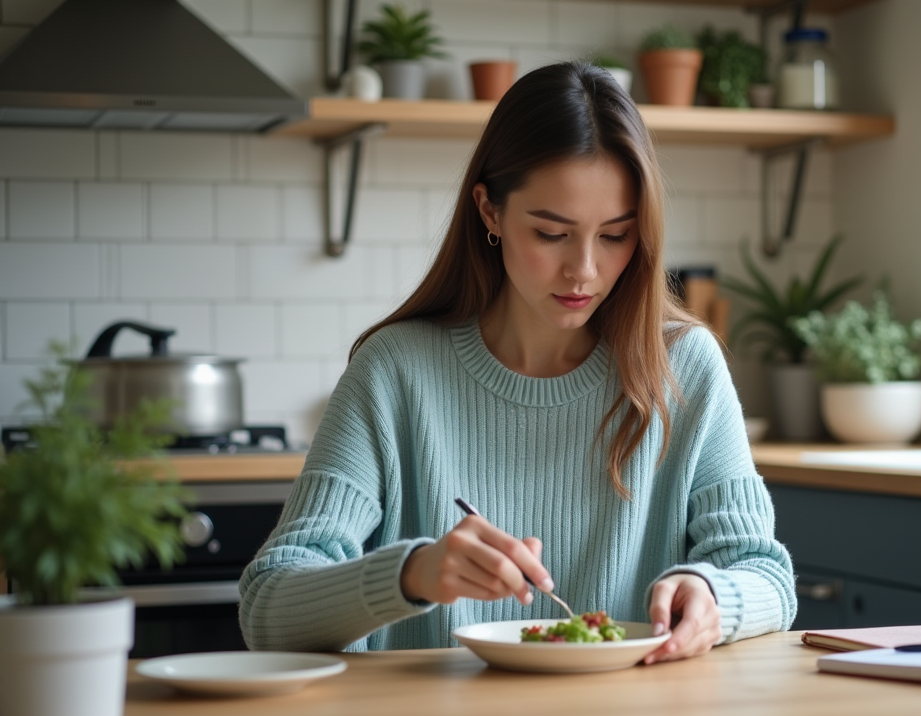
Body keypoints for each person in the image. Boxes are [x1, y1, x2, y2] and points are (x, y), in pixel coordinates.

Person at [239, 61, 796, 665]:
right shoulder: (393, 373)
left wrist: (716, 595)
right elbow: (267, 610)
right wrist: (411, 575)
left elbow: (764, 573)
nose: (584, 270)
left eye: (614, 235)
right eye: (552, 234)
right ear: (490, 212)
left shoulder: (684, 366)